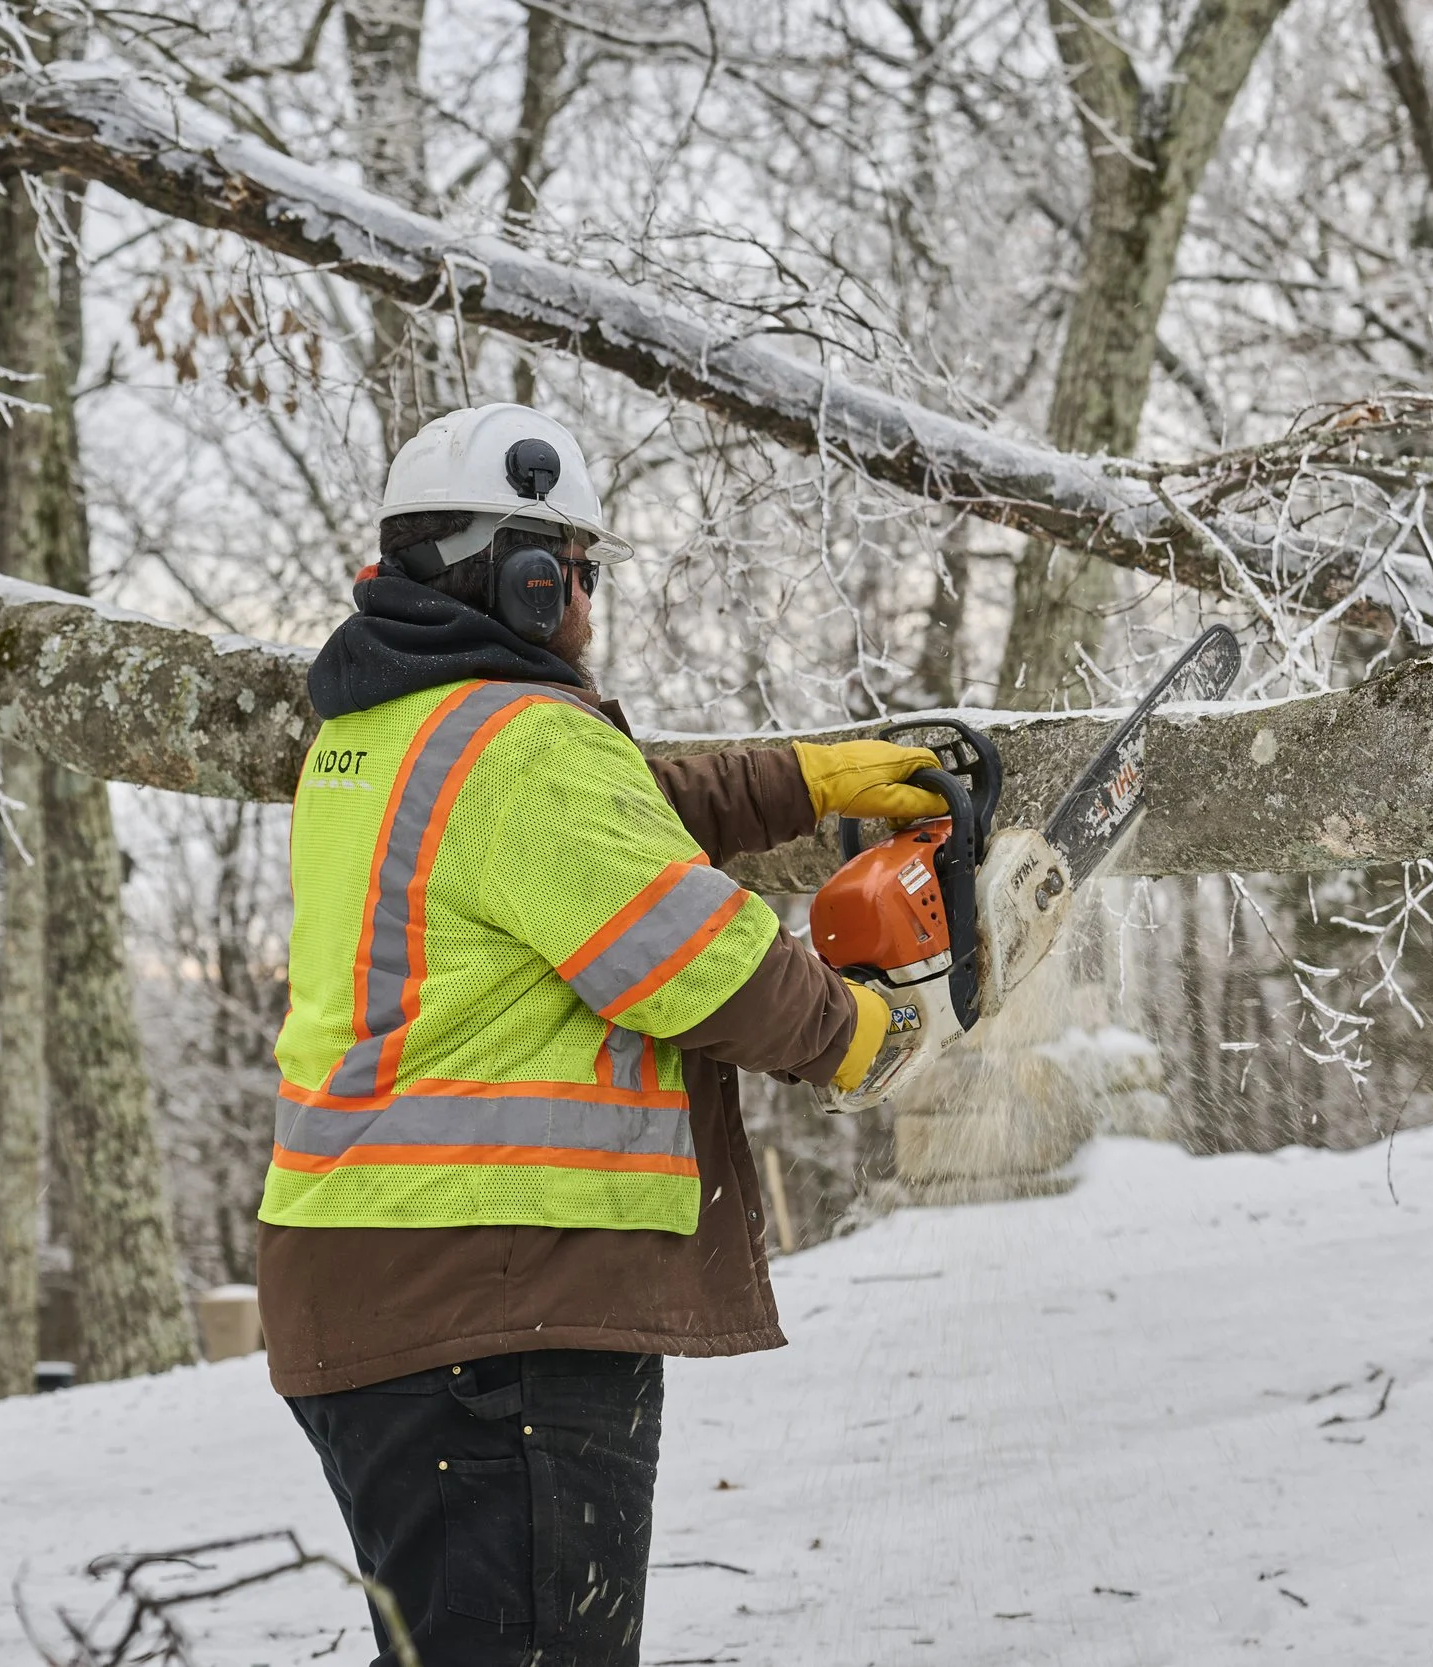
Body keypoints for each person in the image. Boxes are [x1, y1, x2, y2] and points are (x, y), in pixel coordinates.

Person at [260, 404, 944, 1666]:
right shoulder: (516, 749)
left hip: (390, 1299)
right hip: (492, 1314)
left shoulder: (375, 733)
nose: (583, 601)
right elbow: (688, 955)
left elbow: (619, 806)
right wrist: (857, 1034)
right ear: (527, 576)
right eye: (579, 571)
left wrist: (809, 776)